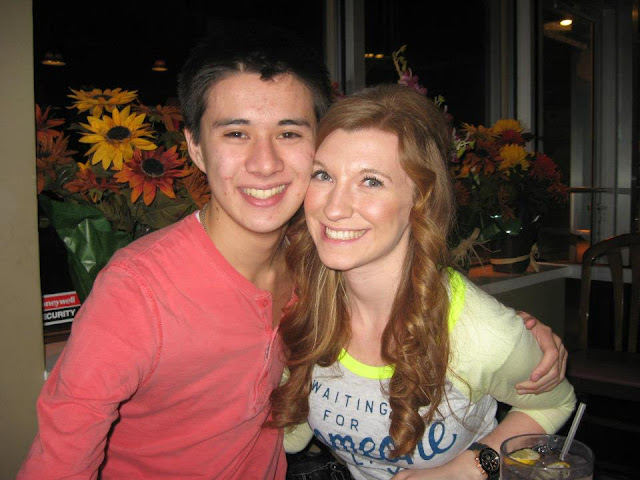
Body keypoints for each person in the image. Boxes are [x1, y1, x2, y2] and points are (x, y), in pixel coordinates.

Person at [19, 23, 564, 480]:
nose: (265, 164)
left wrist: (518, 336)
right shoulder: (137, 291)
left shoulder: (316, 262)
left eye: (288, 133)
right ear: (194, 148)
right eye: (235, 134)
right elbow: (58, 458)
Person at [271, 84, 576, 479]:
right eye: (323, 175)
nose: (334, 207)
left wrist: (465, 469)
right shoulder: (297, 301)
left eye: (371, 181)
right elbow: (290, 435)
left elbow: (554, 404)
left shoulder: (481, 333)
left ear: (420, 199)